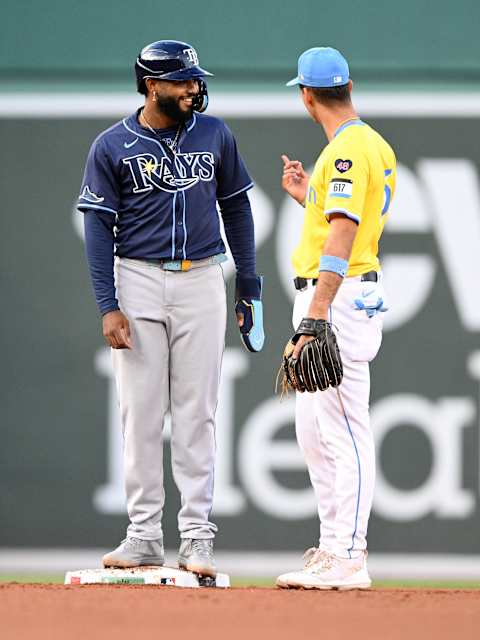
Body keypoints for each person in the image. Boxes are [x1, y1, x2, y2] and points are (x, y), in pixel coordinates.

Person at [77, 40, 264, 578]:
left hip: (203, 275)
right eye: (182, 80)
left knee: (197, 414)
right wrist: (108, 305)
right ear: (151, 85)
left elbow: (237, 207)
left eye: (194, 79)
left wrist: (247, 283)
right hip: (136, 276)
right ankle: (143, 535)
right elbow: (97, 230)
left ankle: (198, 537)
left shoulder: (214, 133)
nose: (193, 87)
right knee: (140, 413)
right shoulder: (113, 144)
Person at [276, 47, 396, 590]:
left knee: (344, 427)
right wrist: (310, 197)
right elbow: (343, 218)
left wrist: (318, 310)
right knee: (312, 429)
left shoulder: (348, 151)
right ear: (350, 85)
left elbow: (346, 232)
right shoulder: (368, 144)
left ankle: (350, 554)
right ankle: (332, 548)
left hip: (337, 297)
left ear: (306, 95)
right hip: (335, 292)